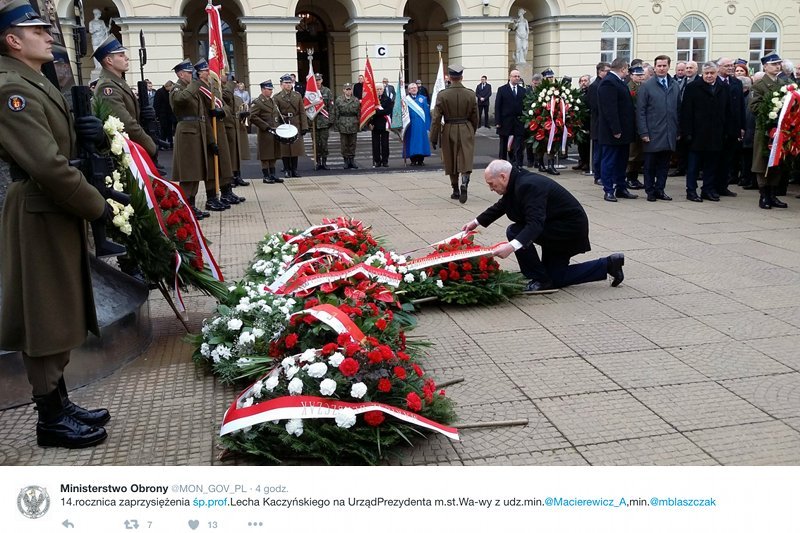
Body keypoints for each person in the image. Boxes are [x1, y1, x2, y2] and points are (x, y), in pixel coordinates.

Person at [0, 0, 111, 448]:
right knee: (44, 312)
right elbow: (45, 164)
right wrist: (97, 206)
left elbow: (57, 148)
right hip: (38, 209)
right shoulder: (10, 87)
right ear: (12, 40)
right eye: (36, 30)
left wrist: (88, 135)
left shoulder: (29, 78)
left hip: (52, 208)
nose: (48, 35)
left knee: (60, 305)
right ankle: (49, 419)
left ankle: (59, 400)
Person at [461, 160, 625, 293]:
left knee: (515, 231)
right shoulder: (516, 181)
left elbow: (535, 224)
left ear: (503, 177)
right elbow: (501, 206)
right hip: (554, 227)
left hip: (566, 231)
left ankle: (537, 278)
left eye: (491, 184)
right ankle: (609, 264)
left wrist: (511, 247)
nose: (491, 188)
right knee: (555, 278)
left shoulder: (528, 185)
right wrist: (475, 223)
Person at [92, 36, 157, 158]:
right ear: (109, 60)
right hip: (122, 152)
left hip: (129, 149)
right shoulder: (107, 86)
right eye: (121, 55)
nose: (126, 58)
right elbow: (126, 123)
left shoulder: (118, 82)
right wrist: (151, 146)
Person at [680, 61, 733, 202]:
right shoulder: (693, 87)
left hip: (716, 133)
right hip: (697, 133)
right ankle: (691, 191)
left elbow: (728, 111)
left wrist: (728, 131)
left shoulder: (724, 88)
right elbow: (686, 111)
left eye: (712, 73)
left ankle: (708, 190)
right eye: (706, 73)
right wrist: (687, 133)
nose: (709, 76)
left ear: (716, 73)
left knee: (711, 165)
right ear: (702, 74)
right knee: (693, 166)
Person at [430, 64, 478, 203]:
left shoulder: (443, 95)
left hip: (449, 128)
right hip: (466, 127)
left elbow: (436, 119)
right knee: (466, 158)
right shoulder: (470, 94)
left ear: (450, 78)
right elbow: (475, 117)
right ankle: (465, 182)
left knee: (451, 159)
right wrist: (472, 130)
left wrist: (433, 137)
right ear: (461, 77)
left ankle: (455, 190)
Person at [170, 59, 210, 218]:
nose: (191, 75)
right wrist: (196, 82)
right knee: (188, 172)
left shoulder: (190, 88)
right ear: (180, 74)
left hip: (197, 131)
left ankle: (191, 205)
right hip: (186, 133)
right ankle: (185, 207)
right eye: (188, 73)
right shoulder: (177, 89)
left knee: (195, 171)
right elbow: (181, 99)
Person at [636, 55, 679, 201]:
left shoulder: (674, 85)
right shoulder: (647, 86)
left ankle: (660, 189)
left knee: (664, 165)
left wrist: (677, 130)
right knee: (650, 165)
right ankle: (650, 191)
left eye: (664, 66)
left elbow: (678, 109)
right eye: (659, 66)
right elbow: (640, 111)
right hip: (652, 132)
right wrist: (643, 132)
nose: (661, 68)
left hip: (669, 132)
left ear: (668, 66)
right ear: (655, 67)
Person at [194, 58, 235, 211]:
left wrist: (221, 111)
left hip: (220, 126)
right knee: (211, 164)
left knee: (224, 161)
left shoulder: (213, 87)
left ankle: (225, 192)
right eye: (205, 70)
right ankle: (211, 197)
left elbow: (226, 107)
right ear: (198, 73)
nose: (209, 72)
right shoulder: (198, 88)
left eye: (208, 69)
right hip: (208, 129)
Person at [750, 53, 789, 209]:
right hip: (765, 130)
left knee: (777, 162)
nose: (777, 66)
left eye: (779, 63)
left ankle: (773, 194)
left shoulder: (784, 84)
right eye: (773, 64)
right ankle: (764, 195)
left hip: (781, 130)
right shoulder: (758, 86)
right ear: (765, 66)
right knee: (763, 162)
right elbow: (754, 107)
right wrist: (774, 109)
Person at [598, 57, 637, 202]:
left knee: (622, 161)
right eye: (627, 70)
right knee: (609, 161)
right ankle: (608, 190)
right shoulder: (609, 82)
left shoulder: (617, 82)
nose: (627, 73)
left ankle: (621, 187)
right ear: (623, 69)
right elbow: (610, 109)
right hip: (613, 132)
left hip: (623, 131)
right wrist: (615, 129)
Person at [715, 57, 745, 198]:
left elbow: (740, 107)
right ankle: (712, 186)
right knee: (716, 159)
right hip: (718, 128)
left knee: (728, 159)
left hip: (733, 127)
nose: (730, 68)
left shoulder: (736, 83)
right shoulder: (713, 82)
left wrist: (742, 126)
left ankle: (723, 186)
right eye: (727, 65)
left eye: (732, 65)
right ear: (719, 67)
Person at [274, 73, 309, 178]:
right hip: (284, 123)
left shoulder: (297, 95)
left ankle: (294, 169)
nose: (288, 85)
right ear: (281, 84)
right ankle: (287, 169)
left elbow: (302, 112)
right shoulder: (277, 97)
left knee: (295, 148)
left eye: (290, 83)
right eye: (286, 83)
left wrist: (304, 126)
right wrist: (277, 126)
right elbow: (275, 113)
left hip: (295, 122)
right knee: (285, 148)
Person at [249, 80, 284, 184]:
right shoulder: (258, 102)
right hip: (265, 132)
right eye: (269, 89)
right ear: (263, 89)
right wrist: (265, 126)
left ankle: (273, 174)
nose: (271, 91)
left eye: (271, 89)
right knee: (265, 155)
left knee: (274, 153)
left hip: (274, 130)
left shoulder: (272, 101)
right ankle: (266, 176)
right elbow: (252, 116)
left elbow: (276, 114)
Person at [494, 69, 525, 168]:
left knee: (518, 144)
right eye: (515, 76)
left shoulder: (522, 90)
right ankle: (502, 163)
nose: (517, 78)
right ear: (510, 77)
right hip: (505, 121)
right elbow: (497, 106)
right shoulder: (502, 89)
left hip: (518, 122)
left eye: (518, 76)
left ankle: (517, 163)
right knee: (503, 144)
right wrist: (498, 121)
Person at [588, 61, 611, 185]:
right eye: (606, 71)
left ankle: (605, 174)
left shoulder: (606, 84)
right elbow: (594, 106)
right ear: (600, 72)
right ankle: (598, 176)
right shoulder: (594, 86)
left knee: (605, 153)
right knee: (599, 153)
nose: (608, 73)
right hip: (598, 124)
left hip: (605, 125)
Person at [625, 65, 646, 189]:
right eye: (637, 75)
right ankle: (629, 178)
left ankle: (634, 177)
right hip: (633, 124)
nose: (640, 77)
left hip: (641, 125)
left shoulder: (643, 87)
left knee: (639, 153)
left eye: (641, 75)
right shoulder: (630, 87)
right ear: (631, 75)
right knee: (632, 154)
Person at [333, 82, 361, 169]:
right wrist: (336, 125)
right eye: (347, 89)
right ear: (344, 90)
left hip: (353, 123)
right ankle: (345, 160)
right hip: (343, 123)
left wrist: (359, 124)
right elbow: (336, 113)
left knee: (352, 143)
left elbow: (359, 113)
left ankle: (352, 160)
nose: (348, 91)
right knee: (344, 144)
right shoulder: (339, 100)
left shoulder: (356, 100)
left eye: (350, 89)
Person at [404, 82, 431, 166]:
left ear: (418, 88)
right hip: (410, 124)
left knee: (421, 141)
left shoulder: (423, 98)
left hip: (421, 124)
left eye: (415, 87)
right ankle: (413, 160)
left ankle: (420, 160)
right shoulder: (406, 99)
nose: (414, 89)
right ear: (409, 90)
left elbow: (426, 113)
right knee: (411, 141)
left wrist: (427, 126)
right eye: (411, 88)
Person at [313, 72, 334, 170]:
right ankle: (317, 162)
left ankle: (324, 162)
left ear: (322, 80)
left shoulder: (327, 91)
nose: (317, 82)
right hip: (314, 122)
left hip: (324, 120)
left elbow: (331, 106)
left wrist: (331, 120)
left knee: (324, 143)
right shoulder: (311, 91)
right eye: (316, 80)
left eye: (319, 80)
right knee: (316, 144)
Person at [370, 85, 393, 167]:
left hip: (384, 124)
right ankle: (377, 161)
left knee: (385, 144)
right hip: (375, 124)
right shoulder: (372, 100)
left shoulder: (388, 100)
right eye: (377, 89)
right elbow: (369, 113)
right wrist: (370, 123)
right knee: (375, 145)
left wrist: (376, 112)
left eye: (380, 89)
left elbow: (388, 111)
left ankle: (385, 161)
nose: (379, 90)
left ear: (383, 90)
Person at [572, 74, 591, 171]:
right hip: (579, 122)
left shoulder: (591, 92)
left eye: (585, 81)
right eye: (581, 81)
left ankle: (587, 162)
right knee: (580, 144)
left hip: (588, 121)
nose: (583, 83)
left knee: (587, 144)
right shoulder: (578, 93)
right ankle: (582, 161)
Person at [153, 80, 175, 149]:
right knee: (163, 130)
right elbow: (156, 104)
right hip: (162, 115)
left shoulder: (168, 92)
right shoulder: (159, 92)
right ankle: (162, 144)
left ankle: (170, 143)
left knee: (169, 130)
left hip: (169, 115)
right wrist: (157, 115)